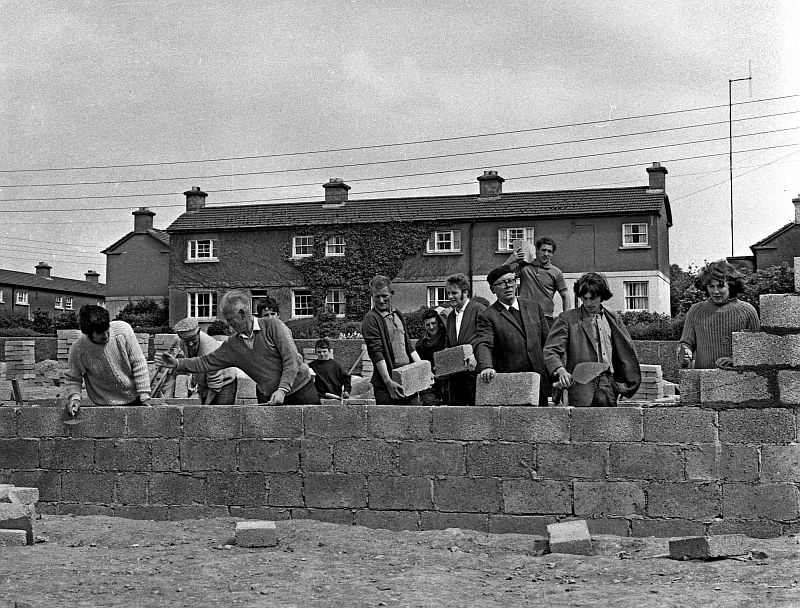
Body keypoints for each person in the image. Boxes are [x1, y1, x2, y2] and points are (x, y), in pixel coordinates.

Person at [160, 289, 319, 405]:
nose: (228, 325)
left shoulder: (274, 326)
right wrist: (178, 364)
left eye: (230, 320)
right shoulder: (233, 345)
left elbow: (291, 360)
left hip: (301, 390)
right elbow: (206, 362)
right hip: (270, 396)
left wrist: (282, 389)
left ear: (243, 313)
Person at [543, 272, 641, 407]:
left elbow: (627, 352)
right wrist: (561, 370)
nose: (588, 303)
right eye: (584, 298)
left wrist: (620, 386)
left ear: (602, 296)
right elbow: (550, 350)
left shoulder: (613, 318)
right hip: (580, 388)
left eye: (593, 298)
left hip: (609, 387)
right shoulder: (567, 319)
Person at [474, 265, 551, 406]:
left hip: (539, 381)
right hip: (511, 384)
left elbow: (548, 343)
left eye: (511, 281)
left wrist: (556, 370)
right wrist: (486, 366)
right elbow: (484, 343)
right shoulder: (487, 316)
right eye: (502, 283)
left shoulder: (534, 307)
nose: (508, 286)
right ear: (493, 289)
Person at [64, 304, 151, 416]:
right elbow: (73, 378)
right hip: (105, 404)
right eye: (100, 333)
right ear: (88, 333)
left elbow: (139, 363)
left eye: (106, 330)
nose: (105, 336)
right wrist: (75, 398)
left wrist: (144, 395)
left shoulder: (123, 331)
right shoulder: (78, 350)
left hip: (136, 396)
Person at [677, 260, 760, 369]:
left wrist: (735, 360)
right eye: (711, 286)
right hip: (704, 380)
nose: (715, 291)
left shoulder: (747, 311)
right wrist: (684, 353)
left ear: (730, 286)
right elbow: (685, 344)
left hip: (738, 381)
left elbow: (757, 348)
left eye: (720, 286)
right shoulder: (695, 311)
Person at [362, 275, 424, 405]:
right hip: (386, 385)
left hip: (407, 377)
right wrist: (388, 382)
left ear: (391, 293)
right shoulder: (371, 319)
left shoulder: (398, 314)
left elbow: (408, 346)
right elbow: (376, 353)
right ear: (372, 296)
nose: (381, 300)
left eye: (384, 295)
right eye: (376, 296)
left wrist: (423, 369)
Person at [505, 237, 571, 330]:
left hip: (546, 318)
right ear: (537, 250)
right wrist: (510, 260)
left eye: (549, 251)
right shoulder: (524, 267)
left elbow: (565, 296)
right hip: (524, 316)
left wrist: (566, 319)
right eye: (543, 250)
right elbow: (498, 276)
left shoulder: (556, 272)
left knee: (546, 344)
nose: (546, 254)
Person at [171, 317, 238, 404]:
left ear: (199, 332)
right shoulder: (182, 342)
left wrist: (205, 407)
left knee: (219, 414)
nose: (190, 344)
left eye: (193, 341)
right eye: (187, 342)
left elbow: (215, 383)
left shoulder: (209, 349)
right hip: (206, 382)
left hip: (224, 382)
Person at [444, 273, 485, 406]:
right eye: (448, 293)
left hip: (474, 373)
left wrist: (476, 356)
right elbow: (450, 343)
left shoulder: (478, 309)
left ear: (465, 293)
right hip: (456, 376)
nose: (450, 296)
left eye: (454, 293)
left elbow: (485, 338)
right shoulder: (450, 316)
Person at [414, 308, 448, 406]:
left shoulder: (446, 338)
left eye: (434, 323)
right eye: (428, 325)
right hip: (430, 384)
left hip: (447, 382)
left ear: (439, 323)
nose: (431, 327)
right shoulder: (420, 345)